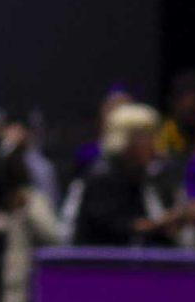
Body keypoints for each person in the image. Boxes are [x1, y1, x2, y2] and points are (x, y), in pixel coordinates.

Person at [63, 101, 182, 246]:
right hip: (98, 264)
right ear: (126, 140)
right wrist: (156, 225)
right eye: (147, 137)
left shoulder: (147, 177)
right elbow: (110, 228)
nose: (154, 145)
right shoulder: (101, 178)